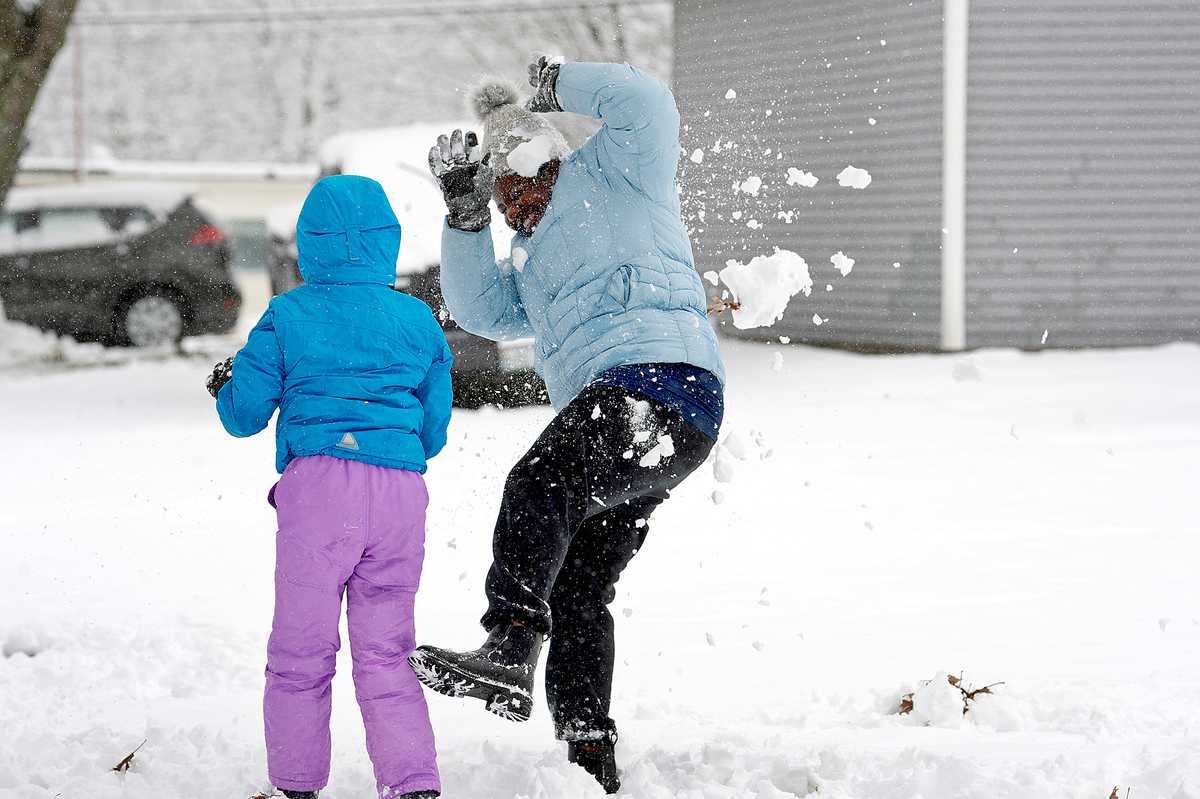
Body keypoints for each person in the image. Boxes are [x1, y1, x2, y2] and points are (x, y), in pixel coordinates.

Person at [408, 56, 725, 794]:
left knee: (539, 480)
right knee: (579, 585)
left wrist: (563, 86)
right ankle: (589, 751)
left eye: (519, 182)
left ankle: (511, 640)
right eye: (499, 197)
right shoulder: (527, 268)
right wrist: (460, 216)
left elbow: (646, 102)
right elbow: (479, 308)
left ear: (547, 158)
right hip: (638, 418)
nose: (512, 204)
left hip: (664, 383)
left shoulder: (621, 174)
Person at [206, 174, 453, 799]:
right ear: (386, 242)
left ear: (309, 243)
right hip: (398, 493)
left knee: (301, 648)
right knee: (387, 651)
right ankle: (413, 784)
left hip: (317, 490)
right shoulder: (417, 319)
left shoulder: (287, 315)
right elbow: (433, 429)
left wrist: (225, 386)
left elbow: (244, 417)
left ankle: (296, 785)